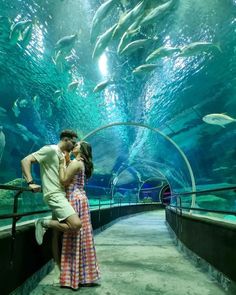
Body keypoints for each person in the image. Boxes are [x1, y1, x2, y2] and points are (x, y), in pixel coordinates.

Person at [21, 129, 82, 247]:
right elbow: (25, 160)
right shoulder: (50, 150)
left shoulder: (62, 155)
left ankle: (58, 260)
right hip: (54, 194)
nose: (74, 145)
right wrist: (30, 182)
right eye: (73, 143)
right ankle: (42, 222)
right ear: (66, 139)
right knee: (75, 224)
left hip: (60, 194)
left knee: (57, 234)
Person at [58, 141, 100, 290]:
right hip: (82, 199)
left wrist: (63, 163)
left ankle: (73, 278)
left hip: (74, 199)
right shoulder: (80, 163)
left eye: (77, 145)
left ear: (81, 150)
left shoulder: (76, 163)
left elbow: (64, 181)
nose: (74, 146)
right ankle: (84, 276)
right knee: (83, 237)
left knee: (74, 237)